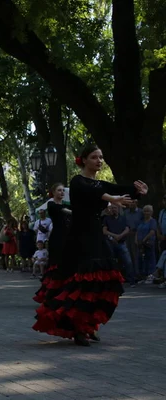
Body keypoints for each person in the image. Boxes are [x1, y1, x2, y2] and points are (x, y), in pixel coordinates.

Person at [33, 144, 148, 346]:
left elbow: (119, 189)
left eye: (101, 157)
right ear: (84, 160)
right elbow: (91, 192)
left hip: (96, 235)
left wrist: (138, 192)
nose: (99, 161)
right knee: (83, 283)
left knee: (103, 281)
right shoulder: (77, 181)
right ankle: (79, 328)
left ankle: (89, 323)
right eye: (95, 157)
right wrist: (111, 198)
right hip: (80, 237)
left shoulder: (101, 184)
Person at [34, 183, 72, 302]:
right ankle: (52, 293)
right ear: (53, 192)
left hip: (67, 237)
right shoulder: (51, 204)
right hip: (57, 238)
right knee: (56, 264)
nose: (62, 192)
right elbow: (60, 210)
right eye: (59, 190)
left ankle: (64, 293)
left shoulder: (66, 206)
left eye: (63, 191)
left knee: (67, 264)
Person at [103, 204, 135, 287]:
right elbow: (104, 231)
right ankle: (112, 281)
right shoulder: (107, 219)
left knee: (128, 262)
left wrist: (120, 235)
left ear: (118, 209)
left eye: (115, 208)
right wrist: (114, 235)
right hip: (111, 243)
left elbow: (127, 229)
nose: (114, 209)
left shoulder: (123, 218)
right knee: (111, 262)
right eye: (112, 208)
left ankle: (131, 281)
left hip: (121, 243)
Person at [137, 205, 158, 284]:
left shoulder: (153, 221)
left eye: (148, 211)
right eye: (145, 211)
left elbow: (152, 231)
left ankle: (150, 276)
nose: (146, 213)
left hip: (149, 243)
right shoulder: (141, 221)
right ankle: (143, 276)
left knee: (150, 259)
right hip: (140, 244)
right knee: (142, 259)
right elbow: (137, 230)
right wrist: (136, 239)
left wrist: (144, 239)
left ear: (151, 212)